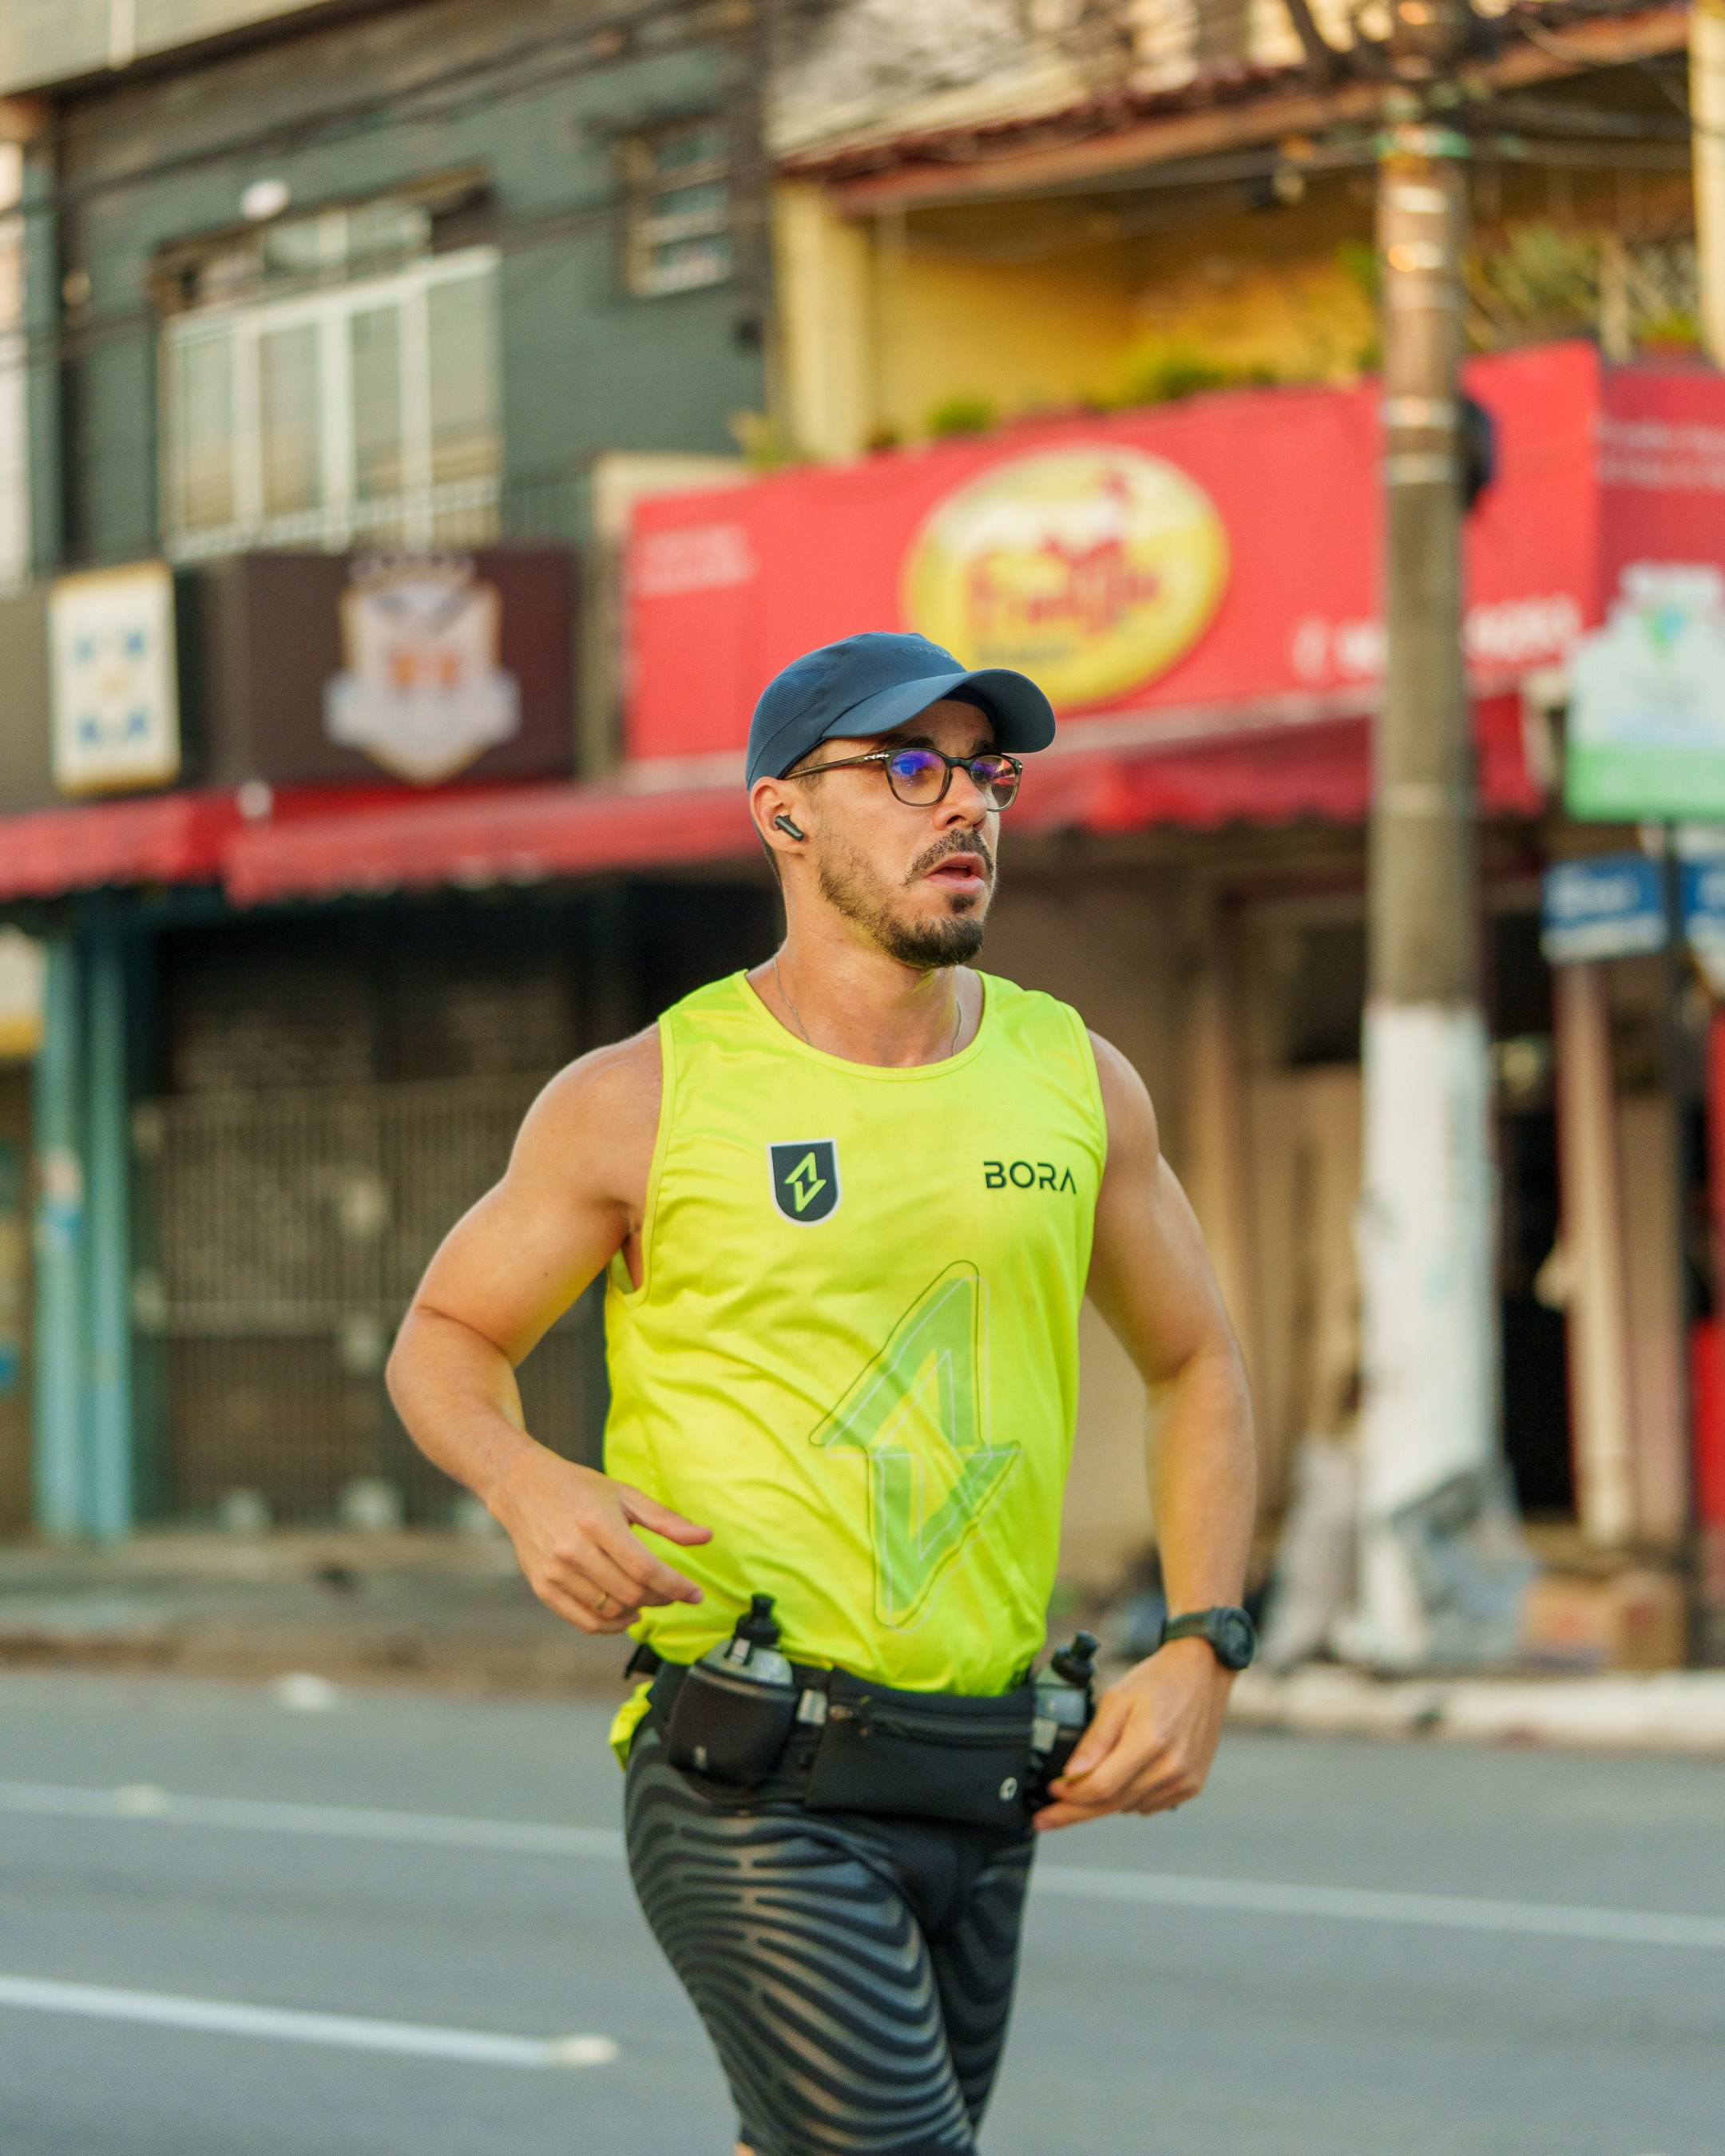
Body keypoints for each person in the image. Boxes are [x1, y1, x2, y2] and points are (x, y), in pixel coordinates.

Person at [387, 630, 1257, 2156]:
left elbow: (1196, 1364)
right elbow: (447, 1333)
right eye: (907, 769)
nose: (966, 807)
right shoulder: (644, 1097)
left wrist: (1203, 1642)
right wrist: (530, 1483)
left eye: (988, 772)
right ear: (783, 814)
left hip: (992, 1768)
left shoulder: (1077, 1078)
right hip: (751, 1772)